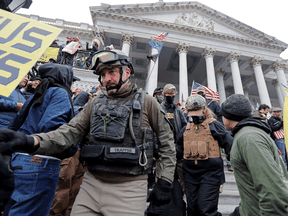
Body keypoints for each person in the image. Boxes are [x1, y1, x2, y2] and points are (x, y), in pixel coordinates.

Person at [0, 49, 176, 216]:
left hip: (129, 187)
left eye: (112, 72)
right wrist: (31, 141)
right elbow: (69, 132)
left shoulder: (148, 102)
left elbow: (167, 144)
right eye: (103, 74)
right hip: (91, 184)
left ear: (127, 72)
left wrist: (165, 180)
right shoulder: (95, 103)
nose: (107, 79)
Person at [2, 64, 75, 216]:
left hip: (18, 160)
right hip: (39, 163)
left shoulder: (37, 93)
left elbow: (14, 125)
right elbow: (51, 129)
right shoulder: (60, 93)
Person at [220, 94, 288, 216]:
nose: (222, 118)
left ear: (230, 116)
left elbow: (272, 192)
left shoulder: (249, 138)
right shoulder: (246, 134)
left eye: (223, 114)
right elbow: (251, 185)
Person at [177, 95, 232, 216]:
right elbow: (178, 150)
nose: (194, 115)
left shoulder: (214, 125)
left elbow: (230, 145)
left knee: (206, 210)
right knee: (192, 210)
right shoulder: (186, 129)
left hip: (211, 175)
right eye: (191, 112)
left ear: (204, 109)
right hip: (190, 175)